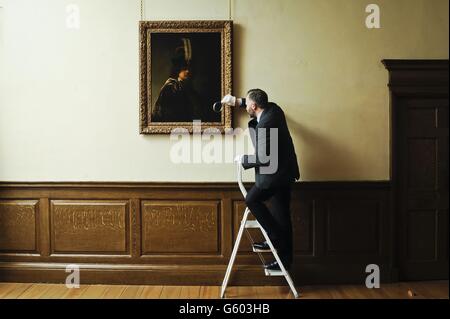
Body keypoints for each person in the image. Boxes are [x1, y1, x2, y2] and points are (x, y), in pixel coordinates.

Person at [221, 89, 300, 271]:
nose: (245, 106)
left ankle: (274, 238)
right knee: (282, 217)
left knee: (252, 199)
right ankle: (284, 262)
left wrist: (243, 159)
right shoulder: (275, 110)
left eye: (247, 104)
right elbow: (253, 103)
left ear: (255, 106)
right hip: (285, 172)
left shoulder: (265, 125)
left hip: (276, 175)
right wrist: (236, 101)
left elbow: (264, 158)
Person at [152, 39, 202, 122]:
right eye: (184, 67)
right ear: (178, 68)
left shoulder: (194, 94)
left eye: (190, 67)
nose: (188, 71)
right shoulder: (171, 88)